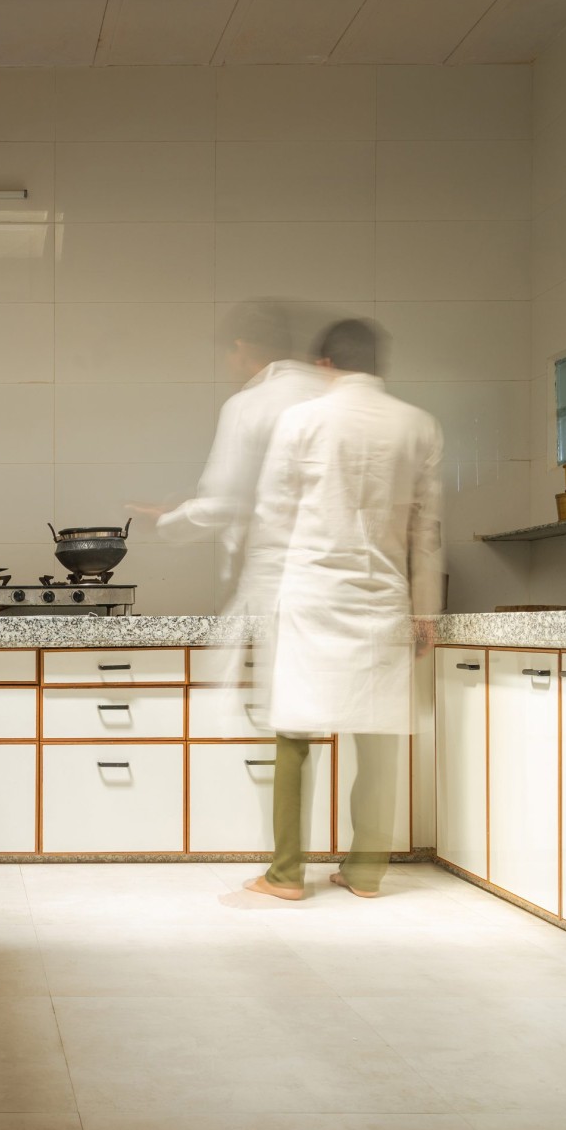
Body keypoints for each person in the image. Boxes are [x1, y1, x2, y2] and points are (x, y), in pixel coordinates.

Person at [245, 319, 444, 902]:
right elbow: (426, 530)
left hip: (311, 595)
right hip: (383, 598)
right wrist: (425, 611)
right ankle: (364, 872)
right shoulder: (418, 424)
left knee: (294, 734)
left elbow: (273, 515)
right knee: (378, 735)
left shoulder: (303, 419)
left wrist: (262, 602)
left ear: (326, 364)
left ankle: (285, 874)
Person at [134, 301, 328, 619]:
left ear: (240, 348)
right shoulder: (326, 393)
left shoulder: (249, 404)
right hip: (340, 591)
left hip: (280, 595)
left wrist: (165, 522)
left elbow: (224, 502)